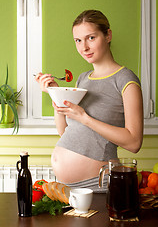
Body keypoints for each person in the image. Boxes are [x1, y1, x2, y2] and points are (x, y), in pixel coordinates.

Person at [35, 10, 143, 192]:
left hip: (97, 184)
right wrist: (56, 94)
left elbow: (134, 143)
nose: (84, 47)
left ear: (107, 35)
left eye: (91, 38)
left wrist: (84, 117)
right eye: (78, 40)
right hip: (66, 187)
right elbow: (65, 132)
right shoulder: (83, 79)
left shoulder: (125, 80)